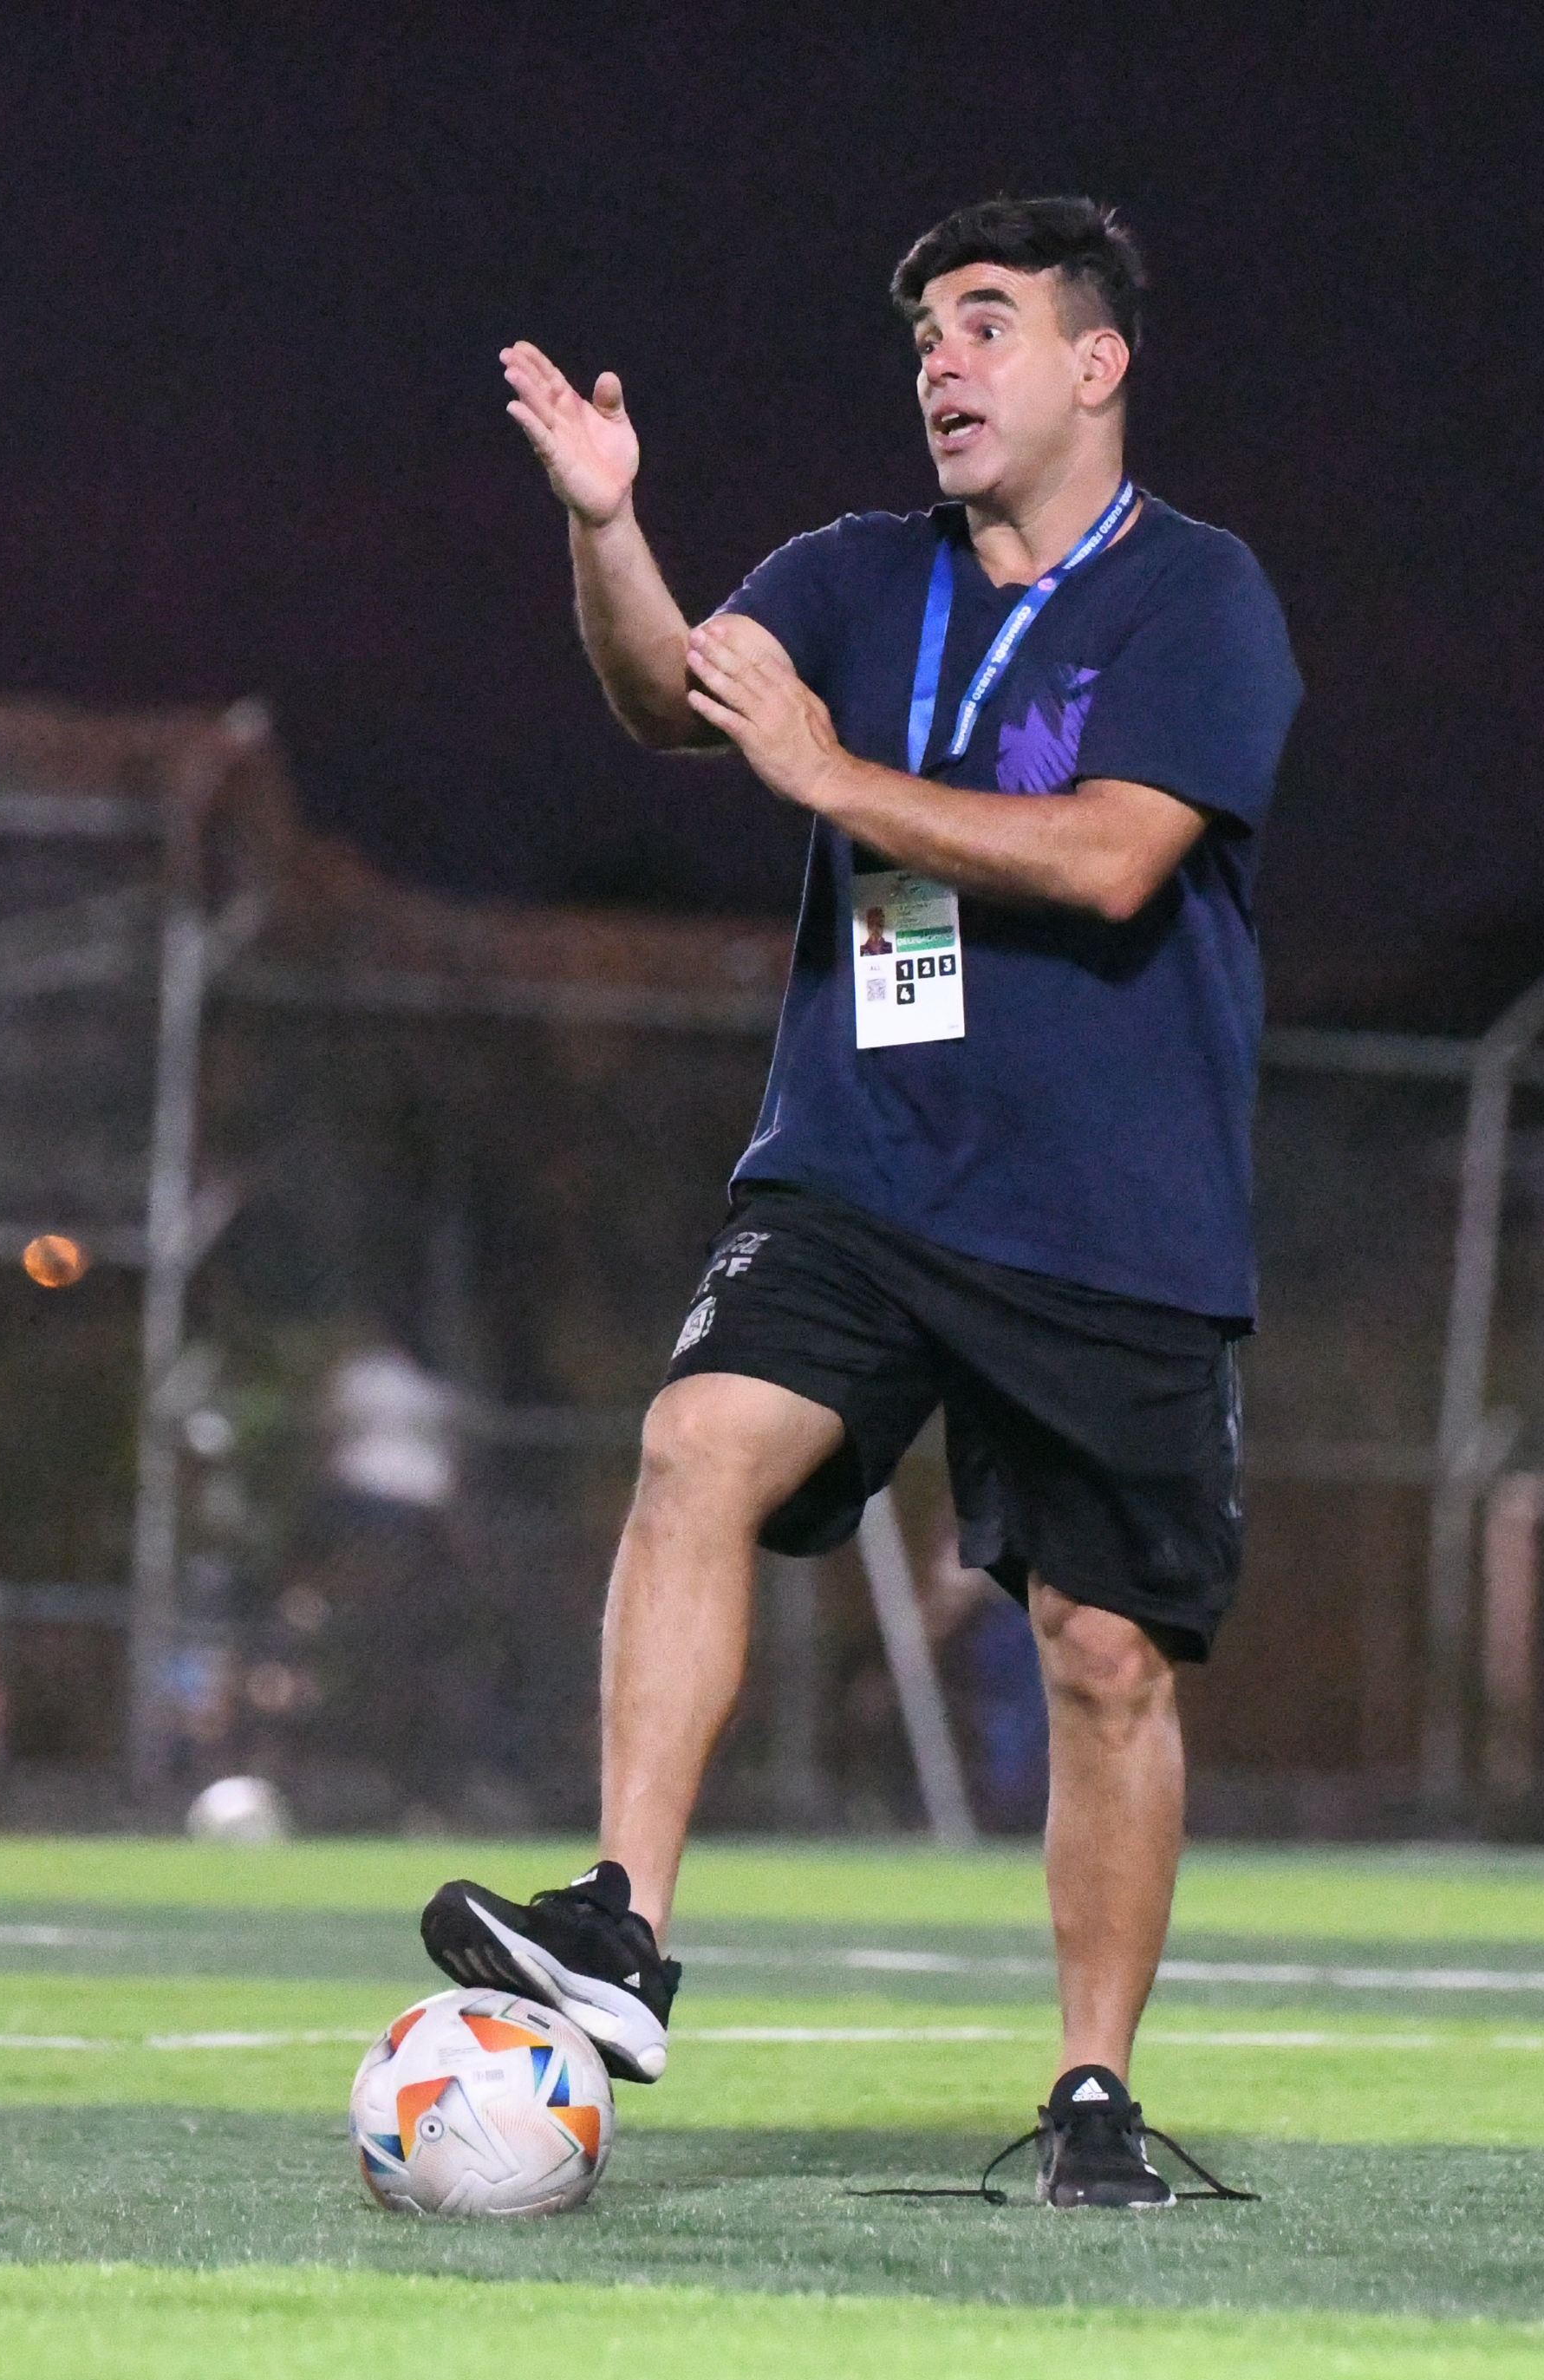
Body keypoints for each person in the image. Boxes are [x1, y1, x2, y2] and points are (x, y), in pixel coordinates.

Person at [417, 197, 1301, 2207]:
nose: (941, 361)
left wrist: (829, 783)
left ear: (1100, 363)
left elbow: (1108, 863)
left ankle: (1093, 2090)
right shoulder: (849, 573)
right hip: (862, 1162)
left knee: (1103, 1654)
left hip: (1111, 1210)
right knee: (694, 1443)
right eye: (923, 332)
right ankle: (624, 1926)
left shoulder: (1202, 599)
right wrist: (604, 524)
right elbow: (668, 694)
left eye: (988, 323)